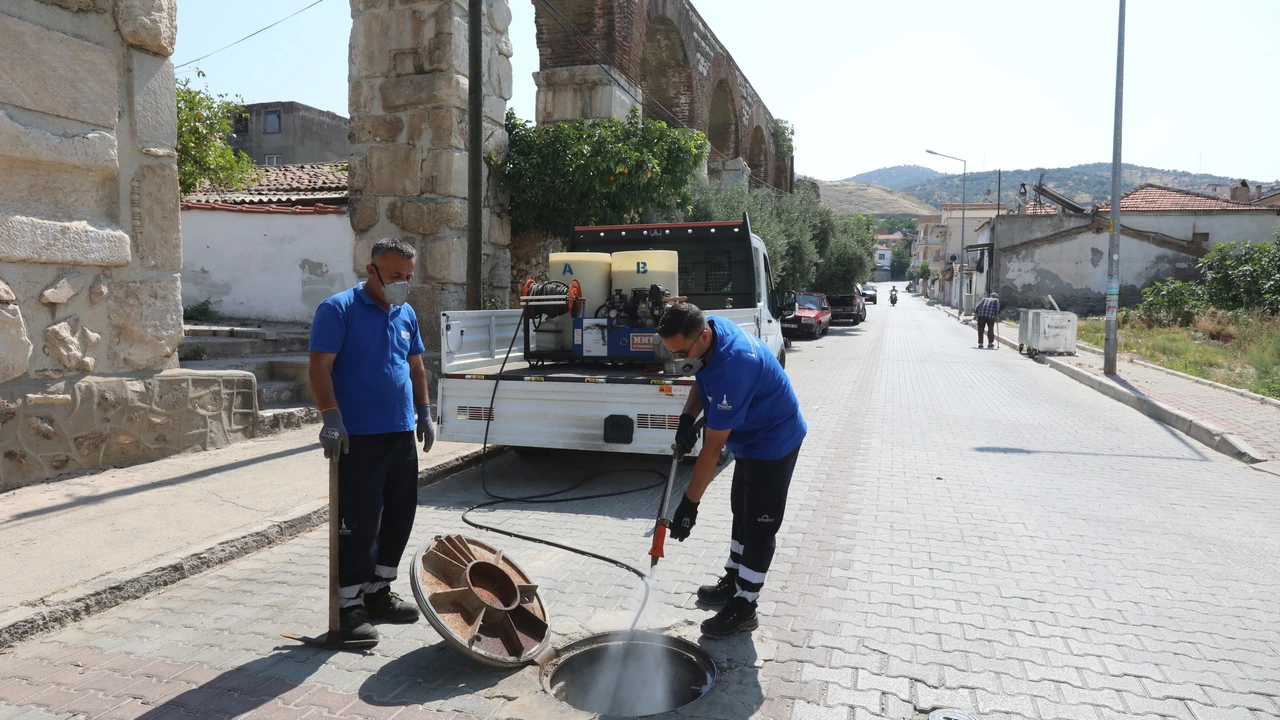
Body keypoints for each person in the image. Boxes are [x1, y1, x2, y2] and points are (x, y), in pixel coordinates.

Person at [308, 238, 437, 646]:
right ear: (372, 271)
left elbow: (416, 367)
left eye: (409, 277)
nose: (403, 284)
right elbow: (319, 367)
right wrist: (331, 417)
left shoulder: (406, 313)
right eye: (396, 276)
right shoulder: (338, 309)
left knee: (400, 514)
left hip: (399, 432)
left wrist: (425, 411)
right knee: (360, 522)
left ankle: (379, 593)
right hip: (357, 436)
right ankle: (348, 609)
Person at [657, 302, 807, 638]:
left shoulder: (735, 364)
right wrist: (686, 418)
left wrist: (689, 505)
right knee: (741, 507)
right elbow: (701, 374)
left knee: (759, 525)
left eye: (681, 351)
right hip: (749, 439)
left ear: (703, 336)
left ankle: (745, 605)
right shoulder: (711, 328)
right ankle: (733, 580)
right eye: (672, 352)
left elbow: (712, 449)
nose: (679, 359)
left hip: (774, 440)